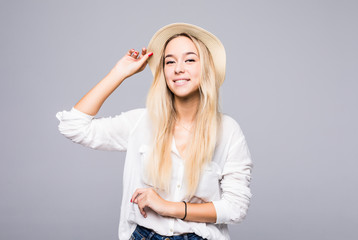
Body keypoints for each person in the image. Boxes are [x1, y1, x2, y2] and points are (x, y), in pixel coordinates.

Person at [56, 23, 253, 240]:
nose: (179, 68)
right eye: (170, 61)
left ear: (206, 67)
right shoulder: (141, 122)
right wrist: (119, 73)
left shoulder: (228, 131)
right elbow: (72, 126)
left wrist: (169, 207)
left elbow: (235, 209)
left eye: (189, 59)